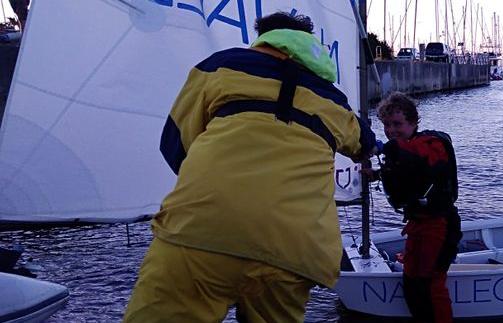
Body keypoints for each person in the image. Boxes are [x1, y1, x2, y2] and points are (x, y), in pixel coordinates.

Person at [124, 12, 376, 323]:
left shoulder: (220, 66)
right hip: (296, 250)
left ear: (263, 39)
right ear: (312, 45)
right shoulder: (335, 101)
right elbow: (366, 143)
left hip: (202, 229)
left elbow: (175, 142)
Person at [375, 92, 462, 323]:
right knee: (412, 281)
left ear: (413, 122)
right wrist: (375, 173)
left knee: (431, 283)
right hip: (417, 225)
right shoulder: (401, 151)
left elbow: (416, 156)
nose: (391, 130)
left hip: (440, 225)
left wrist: (381, 148)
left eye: (397, 124)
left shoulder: (431, 144)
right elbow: (405, 173)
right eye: (386, 125)